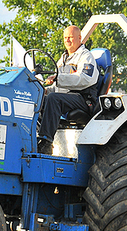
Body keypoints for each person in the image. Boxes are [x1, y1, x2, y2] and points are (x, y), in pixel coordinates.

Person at [37, 25, 99, 154]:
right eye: (65, 38)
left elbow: (85, 79)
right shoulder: (63, 59)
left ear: (79, 38)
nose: (67, 40)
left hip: (83, 99)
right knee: (40, 98)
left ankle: (46, 142)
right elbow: (59, 84)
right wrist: (45, 90)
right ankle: (37, 137)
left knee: (54, 99)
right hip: (67, 97)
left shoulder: (86, 56)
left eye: (70, 37)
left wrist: (58, 78)